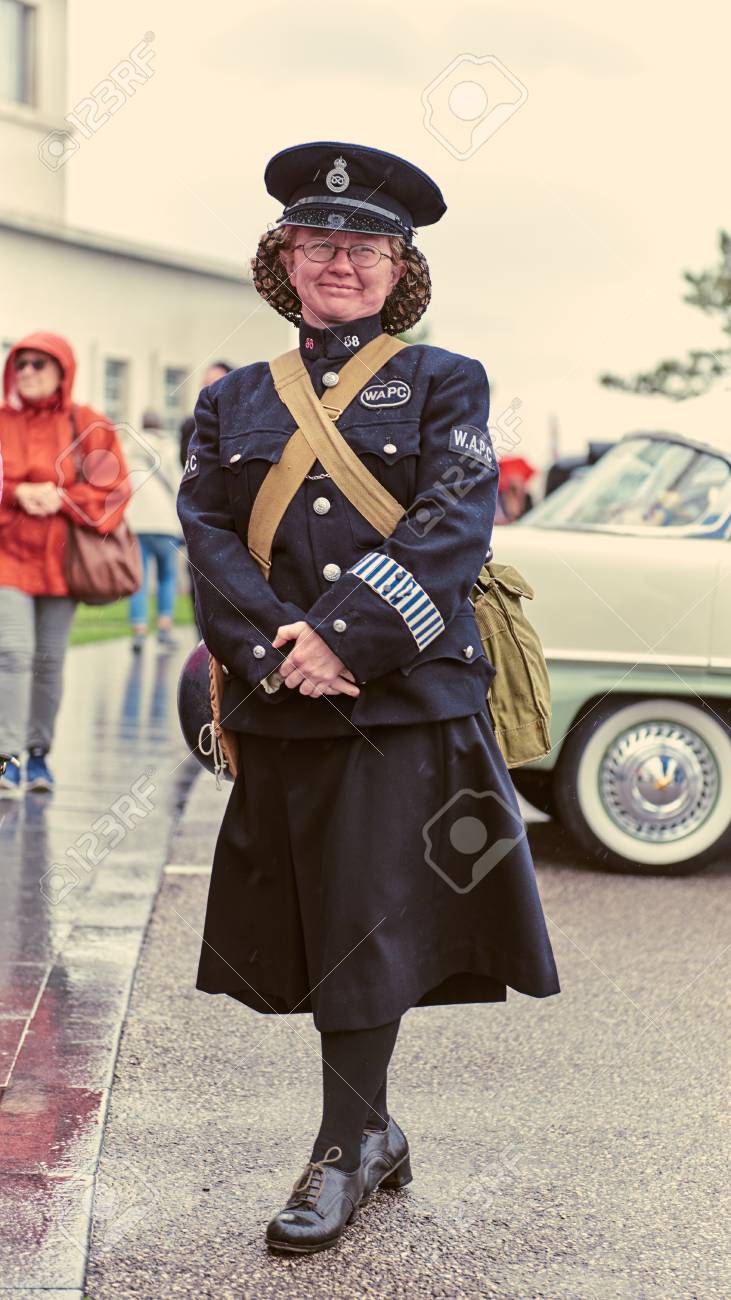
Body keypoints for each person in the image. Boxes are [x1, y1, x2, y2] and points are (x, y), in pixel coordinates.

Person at [177, 141, 560, 1255]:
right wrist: (272, 654)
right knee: (313, 927)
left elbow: (456, 522)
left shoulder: (450, 382)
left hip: (397, 701)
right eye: (320, 242)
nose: (341, 261)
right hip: (279, 699)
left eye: (366, 246)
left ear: (400, 270)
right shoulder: (230, 401)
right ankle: (377, 1130)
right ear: (282, 259)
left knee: (364, 923)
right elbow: (204, 539)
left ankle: (343, 1146)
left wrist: (339, 640)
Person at [0, 332, 130, 797]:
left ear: (63, 371)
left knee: (48, 660)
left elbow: (113, 488)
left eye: (40, 364)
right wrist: (16, 493)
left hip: (61, 562)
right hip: (7, 560)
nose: (28, 372)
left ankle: (37, 756)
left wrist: (61, 498)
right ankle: (6, 758)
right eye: (21, 363)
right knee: (12, 653)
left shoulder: (88, 424)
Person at [125, 409, 184, 652]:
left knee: (139, 579)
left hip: (137, 522)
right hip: (165, 522)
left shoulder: (129, 448)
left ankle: (139, 631)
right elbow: (180, 484)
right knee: (167, 577)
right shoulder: (169, 448)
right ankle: (164, 629)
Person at [179, 362, 233, 469]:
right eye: (205, 385)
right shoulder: (190, 426)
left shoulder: (234, 429)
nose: (208, 391)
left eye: (214, 385)